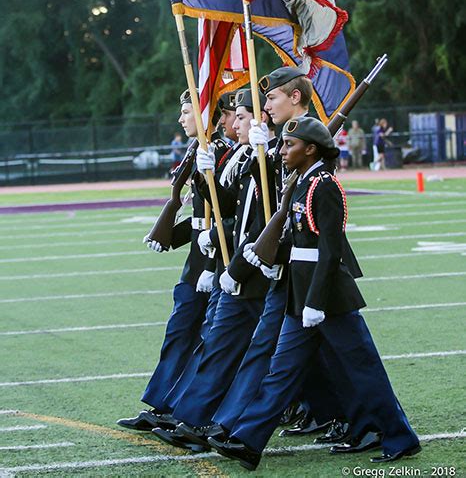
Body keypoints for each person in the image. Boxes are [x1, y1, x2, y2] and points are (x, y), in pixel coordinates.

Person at [208, 117, 421, 470]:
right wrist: (261, 261)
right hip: (299, 295)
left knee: (364, 369)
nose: (284, 151)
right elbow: (292, 238)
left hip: (329, 299)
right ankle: (248, 440)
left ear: (310, 149)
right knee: (280, 370)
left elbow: (330, 250)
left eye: (290, 145)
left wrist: (317, 302)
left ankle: (401, 438)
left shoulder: (324, 185)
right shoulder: (300, 181)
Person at [151, 88, 276, 450]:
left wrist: (219, 263)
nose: (233, 122)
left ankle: (203, 419)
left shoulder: (268, 155)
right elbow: (220, 210)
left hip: (248, 268)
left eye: (241, 115)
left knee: (255, 353)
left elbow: (259, 217)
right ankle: (186, 414)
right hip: (226, 264)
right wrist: (204, 183)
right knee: (221, 344)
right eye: (233, 116)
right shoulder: (233, 154)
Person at [117, 89, 232, 437]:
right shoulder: (196, 151)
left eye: (186, 112)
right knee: (180, 331)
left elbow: (227, 214)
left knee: (209, 338)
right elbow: (198, 215)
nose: (181, 119)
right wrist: (168, 235)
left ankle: (190, 410)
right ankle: (162, 404)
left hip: (218, 259)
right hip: (197, 257)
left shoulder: (221, 153)